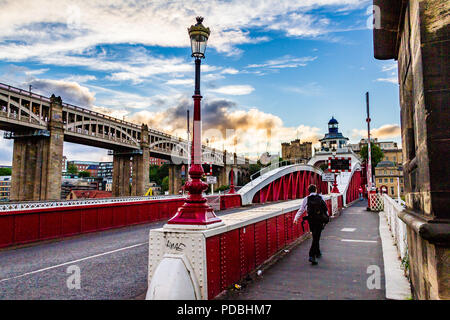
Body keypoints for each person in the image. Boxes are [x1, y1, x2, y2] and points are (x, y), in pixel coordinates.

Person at [294, 184, 329, 265]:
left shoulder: (306, 199)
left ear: (308, 191)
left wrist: (296, 218)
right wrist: (327, 217)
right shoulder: (320, 197)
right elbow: (325, 208)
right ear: (316, 190)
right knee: (316, 237)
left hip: (311, 220)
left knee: (315, 236)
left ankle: (318, 252)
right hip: (320, 220)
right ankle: (311, 255)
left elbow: (301, 210)